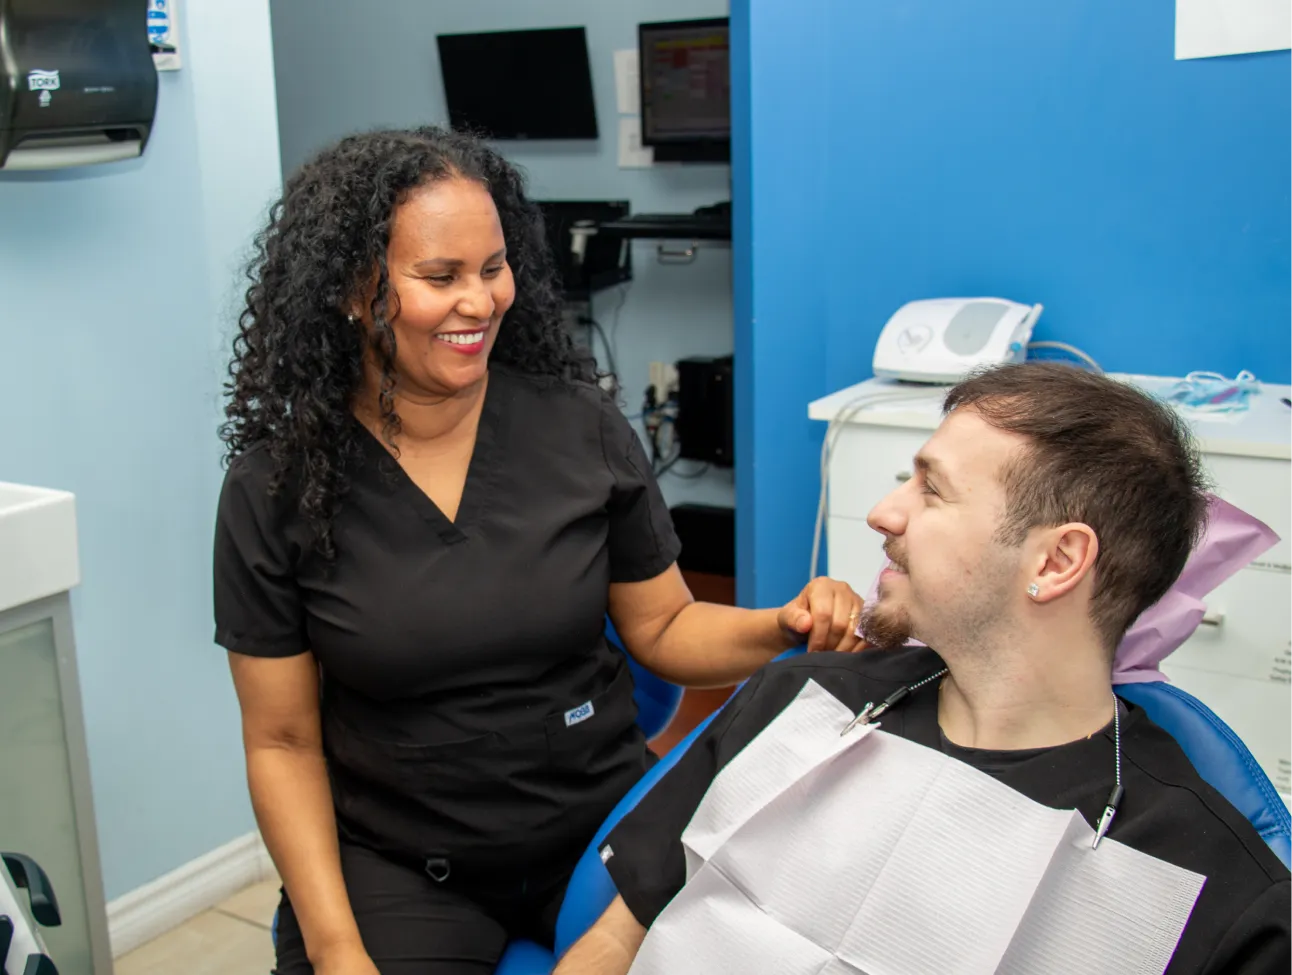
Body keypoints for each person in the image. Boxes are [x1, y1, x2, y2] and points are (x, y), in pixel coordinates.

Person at [213, 127, 864, 975]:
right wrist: (338, 947)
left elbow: (664, 627)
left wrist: (782, 624)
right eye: (440, 277)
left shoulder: (579, 428)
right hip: (404, 865)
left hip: (601, 832)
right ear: (352, 291)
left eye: (493, 267)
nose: (480, 302)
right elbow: (283, 743)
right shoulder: (276, 491)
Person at [555, 363, 1292, 975]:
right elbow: (620, 934)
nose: (883, 513)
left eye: (930, 488)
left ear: (1057, 560)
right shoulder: (799, 699)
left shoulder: (1222, 896)